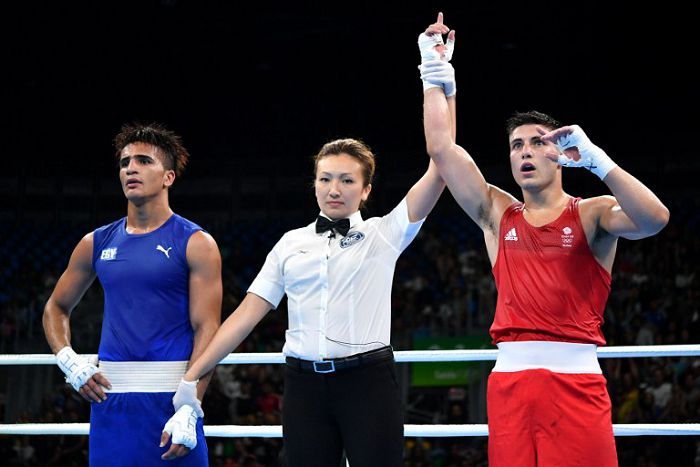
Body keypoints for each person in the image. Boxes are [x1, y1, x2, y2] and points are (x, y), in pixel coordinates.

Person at [419, 15, 670, 467]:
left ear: (560, 153)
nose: (526, 152)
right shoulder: (497, 213)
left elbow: (654, 219)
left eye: (537, 142)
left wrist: (597, 161)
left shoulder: (592, 212)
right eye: (517, 145)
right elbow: (442, 149)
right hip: (510, 384)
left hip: (576, 383)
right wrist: (435, 74)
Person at [161, 105, 449, 465]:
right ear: (314, 183)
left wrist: (438, 80)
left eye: (347, 180)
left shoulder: (383, 234)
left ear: (365, 190)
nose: (334, 189)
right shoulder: (288, 244)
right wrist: (191, 379)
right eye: (325, 178)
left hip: (367, 383)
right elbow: (245, 316)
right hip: (304, 388)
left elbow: (441, 164)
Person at [43, 122, 222, 465]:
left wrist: (189, 405)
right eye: (125, 163)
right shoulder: (95, 243)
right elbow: (56, 307)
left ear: (168, 177)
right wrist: (69, 360)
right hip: (111, 401)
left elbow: (208, 330)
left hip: (174, 400)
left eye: (143, 161)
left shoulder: (196, 243)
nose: (130, 169)